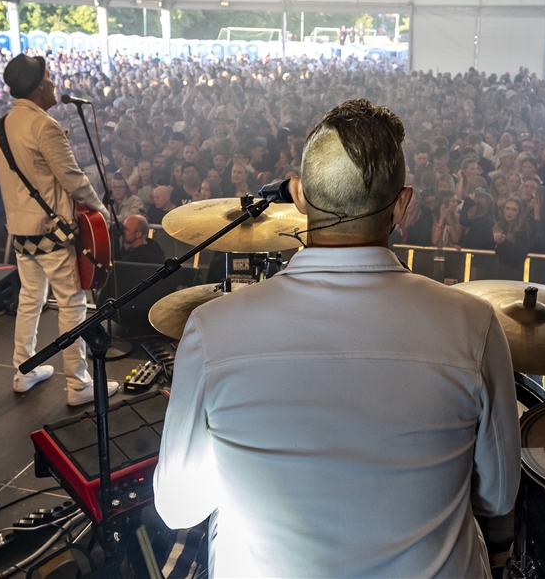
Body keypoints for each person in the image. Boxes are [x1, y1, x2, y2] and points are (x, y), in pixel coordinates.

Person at [155, 98, 517, 576]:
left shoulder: (211, 330)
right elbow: (498, 493)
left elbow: (179, 508)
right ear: (404, 205)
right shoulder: (476, 324)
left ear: (300, 197)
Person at [0, 55, 116, 405]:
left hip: (21, 233)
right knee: (72, 303)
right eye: (50, 79)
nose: (55, 85)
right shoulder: (43, 127)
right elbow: (72, 179)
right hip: (53, 235)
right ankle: (78, 384)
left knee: (30, 299)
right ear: (40, 87)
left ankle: (24, 370)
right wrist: (102, 211)